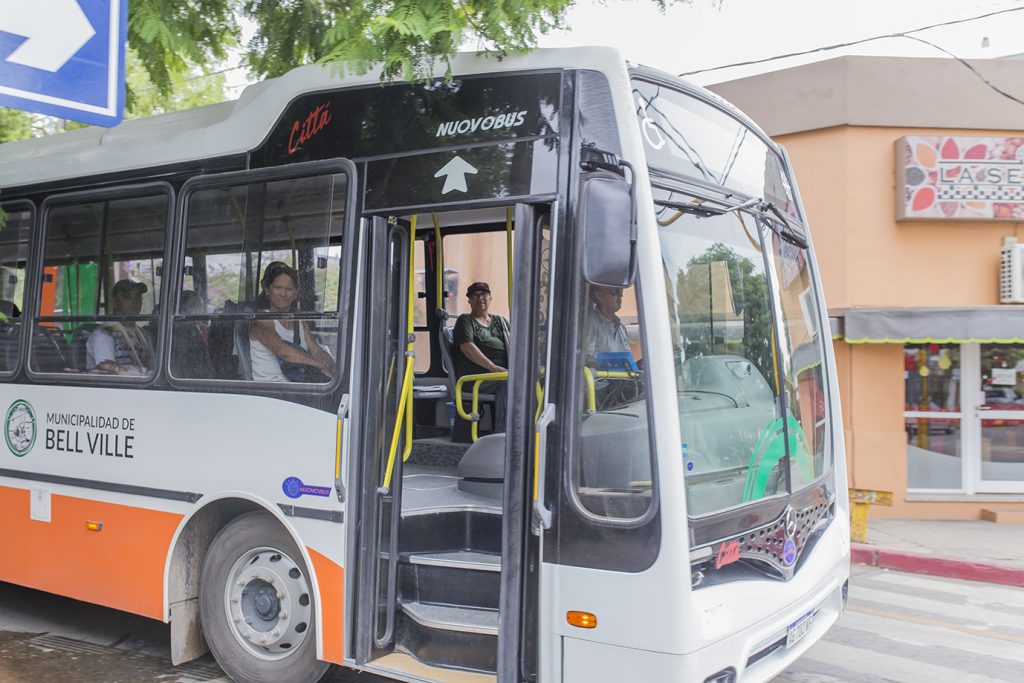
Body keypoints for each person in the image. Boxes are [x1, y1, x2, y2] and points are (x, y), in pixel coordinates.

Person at [249, 261, 335, 382]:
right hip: (271, 391)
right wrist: (319, 365)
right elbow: (284, 352)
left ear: (295, 294)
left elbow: (316, 350)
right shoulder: (262, 320)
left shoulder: (299, 322)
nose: (283, 293)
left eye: (288, 289)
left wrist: (334, 370)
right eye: (278, 288)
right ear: (268, 290)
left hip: (296, 387)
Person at [452, 281, 510, 439]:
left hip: (502, 375)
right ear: (469, 301)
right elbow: (467, 348)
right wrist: (493, 367)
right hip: (477, 379)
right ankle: (501, 436)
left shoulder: (501, 322)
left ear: (490, 298)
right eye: (475, 296)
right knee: (507, 383)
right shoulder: (465, 321)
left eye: (484, 295)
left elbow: (517, 344)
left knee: (536, 382)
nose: (480, 298)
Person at [87, 279, 153, 375]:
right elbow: (107, 367)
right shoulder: (104, 333)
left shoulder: (143, 333)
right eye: (127, 297)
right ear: (114, 302)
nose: (134, 301)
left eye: (138, 297)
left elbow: (153, 365)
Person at [171, 290, 214, 379]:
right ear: (183, 310)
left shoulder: (204, 329)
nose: (198, 310)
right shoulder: (182, 333)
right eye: (193, 306)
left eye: (200, 306)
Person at [583, 285, 631, 365]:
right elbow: (586, 359)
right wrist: (608, 365)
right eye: (616, 291)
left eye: (621, 291)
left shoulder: (621, 327)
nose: (621, 295)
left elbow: (627, 358)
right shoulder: (591, 322)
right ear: (599, 296)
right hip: (601, 377)